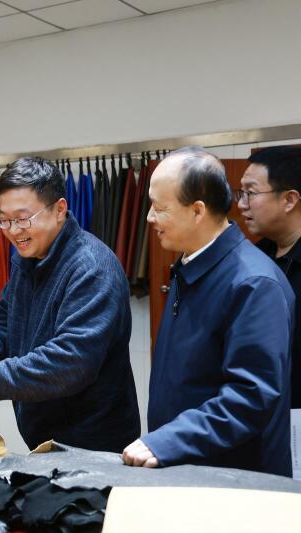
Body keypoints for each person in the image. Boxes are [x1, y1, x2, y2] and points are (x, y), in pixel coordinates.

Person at [0, 156, 140, 453]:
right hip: (47, 439)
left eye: (23, 218)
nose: (13, 230)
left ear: (59, 209)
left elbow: (71, 361)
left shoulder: (91, 268)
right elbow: (4, 322)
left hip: (94, 446)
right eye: (4, 220)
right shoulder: (28, 257)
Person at [123, 147, 293, 476]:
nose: (149, 218)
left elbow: (250, 396)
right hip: (187, 467)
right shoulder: (189, 267)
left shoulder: (254, 284)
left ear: (197, 210)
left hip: (234, 481)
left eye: (160, 208)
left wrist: (168, 441)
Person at [237, 146, 301, 408]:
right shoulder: (253, 257)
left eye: (250, 193)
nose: (241, 204)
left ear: (289, 200)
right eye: (240, 193)